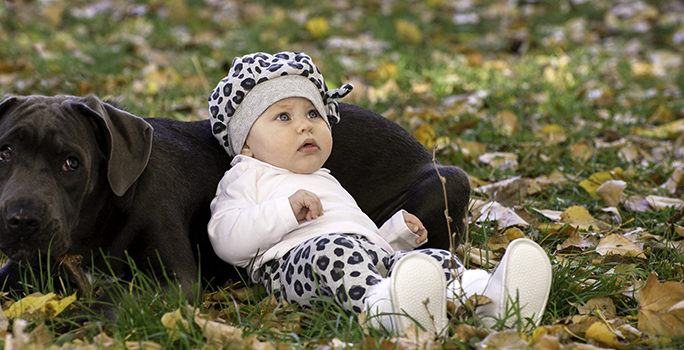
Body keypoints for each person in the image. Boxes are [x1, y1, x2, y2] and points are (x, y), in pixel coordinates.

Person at [206, 51, 552, 335]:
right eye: (283, 117)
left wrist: (396, 236)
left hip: (364, 255)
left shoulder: (326, 178)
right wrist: (285, 212)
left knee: (429, 260)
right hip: (294, 267)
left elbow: (361, 237)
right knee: (335, 252)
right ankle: (383, 310)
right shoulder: (246, 175)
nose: (305, 124)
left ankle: (485, 298)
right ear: (247, 144)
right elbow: (226, 240)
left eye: (313, 112)